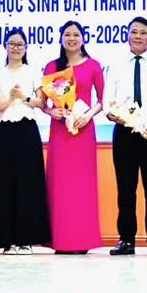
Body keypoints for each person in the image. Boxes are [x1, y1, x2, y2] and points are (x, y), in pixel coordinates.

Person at [104, 17, 147, 256]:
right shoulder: (115, 66)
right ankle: (126, 239)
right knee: (125, 189)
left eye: (143, 33)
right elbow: (107, 101)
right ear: (127, 35)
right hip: (124, 133)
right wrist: (115, 115)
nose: (138, 36)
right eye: (134, 32)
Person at [41, 20, 105, 254]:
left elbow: (103, 101)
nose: (72, 38)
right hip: (60, 131)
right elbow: (43, 102)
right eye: (67, 34)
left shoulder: (93, 66)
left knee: (82, 186)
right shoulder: (52, 66)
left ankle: (82, 240)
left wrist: (87, 116)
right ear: (61, 39)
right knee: (60, 185)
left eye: (76, 34)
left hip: (83, 130)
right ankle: (61, 240)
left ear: (83, 38)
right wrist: (51, 112)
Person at [0, 28, 51, 254]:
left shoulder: (33, 72)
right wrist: (10, 99)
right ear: (5, 46)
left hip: (28, 130)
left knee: (29, 183)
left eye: (20, 44)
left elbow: (41, 102)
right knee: (5, 183)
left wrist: (23, 97)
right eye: (12, 44)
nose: (16, 48)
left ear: (26, 48)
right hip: (6, 130)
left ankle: (27, 239)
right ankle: (7, 239)